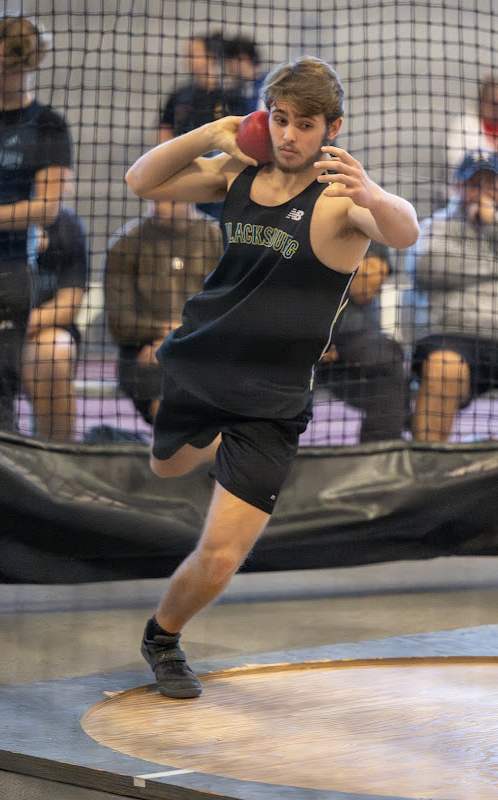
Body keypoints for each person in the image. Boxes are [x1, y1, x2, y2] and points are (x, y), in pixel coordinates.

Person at [125, 55, 419, 699]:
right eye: (279, 119)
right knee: (168, 469)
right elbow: (142, 181)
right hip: (200, 366)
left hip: (273, 401)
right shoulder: (237, 172)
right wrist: (213, 133)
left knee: (223, 555)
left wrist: (372, 192)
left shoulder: (343, 200)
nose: (289, 135)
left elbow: (405, 231)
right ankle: (189, 445)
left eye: (305, 124)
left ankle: (163, 638)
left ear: (331, 129)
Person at [0, 15, 72, 432]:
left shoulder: (47, 126)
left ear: (28, 66)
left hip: (5, 273)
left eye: (6, 66)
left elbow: (47, 207)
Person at [104, 200, 222, 424]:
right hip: (144, 353)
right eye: (155, 197)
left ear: (189, 195)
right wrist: (164, 334)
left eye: (170, 197)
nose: (160, 205)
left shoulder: (218, 239)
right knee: (169, 405)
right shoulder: (126, 243)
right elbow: (120, 322)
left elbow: (230, 312)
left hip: (208, 348)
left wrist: (178, 340)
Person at [411, 150, 498, 441]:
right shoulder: (436, 226)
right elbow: (427, 267)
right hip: (451, 336)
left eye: (491, 184)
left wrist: (493, 224)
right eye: (474, 184)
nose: (482, 192)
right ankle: (424, 470)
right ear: (457, 187)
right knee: (442, 368)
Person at [315, 241, 408, 443]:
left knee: (388, 356)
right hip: (300, 330)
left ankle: (380, 454)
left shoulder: (365, 220)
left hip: (353, 337)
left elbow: (364, 285)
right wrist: (317, 337)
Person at [158, 34, 249, 220]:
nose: (188, 60)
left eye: (193, 54)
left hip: (219, 177)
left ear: (211, 56)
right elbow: (163, 132)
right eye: (187, 55)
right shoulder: (179, 96)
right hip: (185, 177)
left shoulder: (231, 97)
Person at [22, 205, 88, 440]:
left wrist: (19, 323)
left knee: (53, 354)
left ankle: (57, 461)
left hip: (40, 333)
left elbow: (69, 304)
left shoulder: (67, 225)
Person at [448, 73, 498, 168]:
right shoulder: (464, 125)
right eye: (495, 103)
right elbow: (455, 161)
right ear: (482, 101)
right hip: (473, 181)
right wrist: (492, 154)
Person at [222, 34, 266, 114]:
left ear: (243, 58)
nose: (227, 66)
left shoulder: (268, 84)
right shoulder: (238, 89)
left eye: (229, 61)